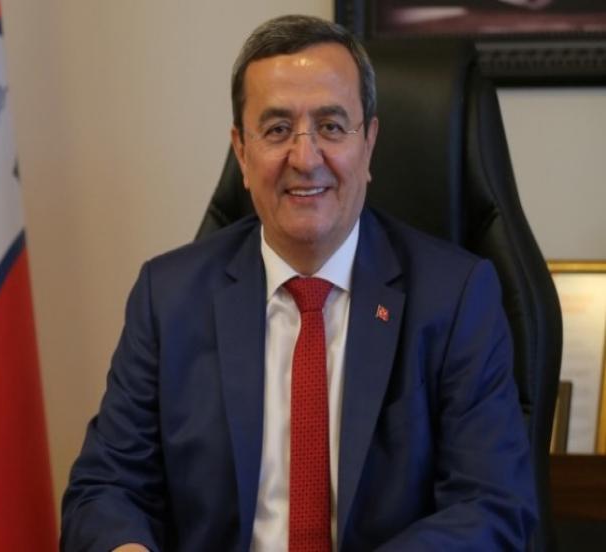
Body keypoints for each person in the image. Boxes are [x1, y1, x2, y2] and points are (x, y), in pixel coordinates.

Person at [61, 15, 537, 551]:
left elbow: (491, 506)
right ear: (242, 152)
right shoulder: (167, 299)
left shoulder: (456, 298)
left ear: (368, 144)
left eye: (331, 127)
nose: (305, 159)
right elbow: (104, 489)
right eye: (277, 130)